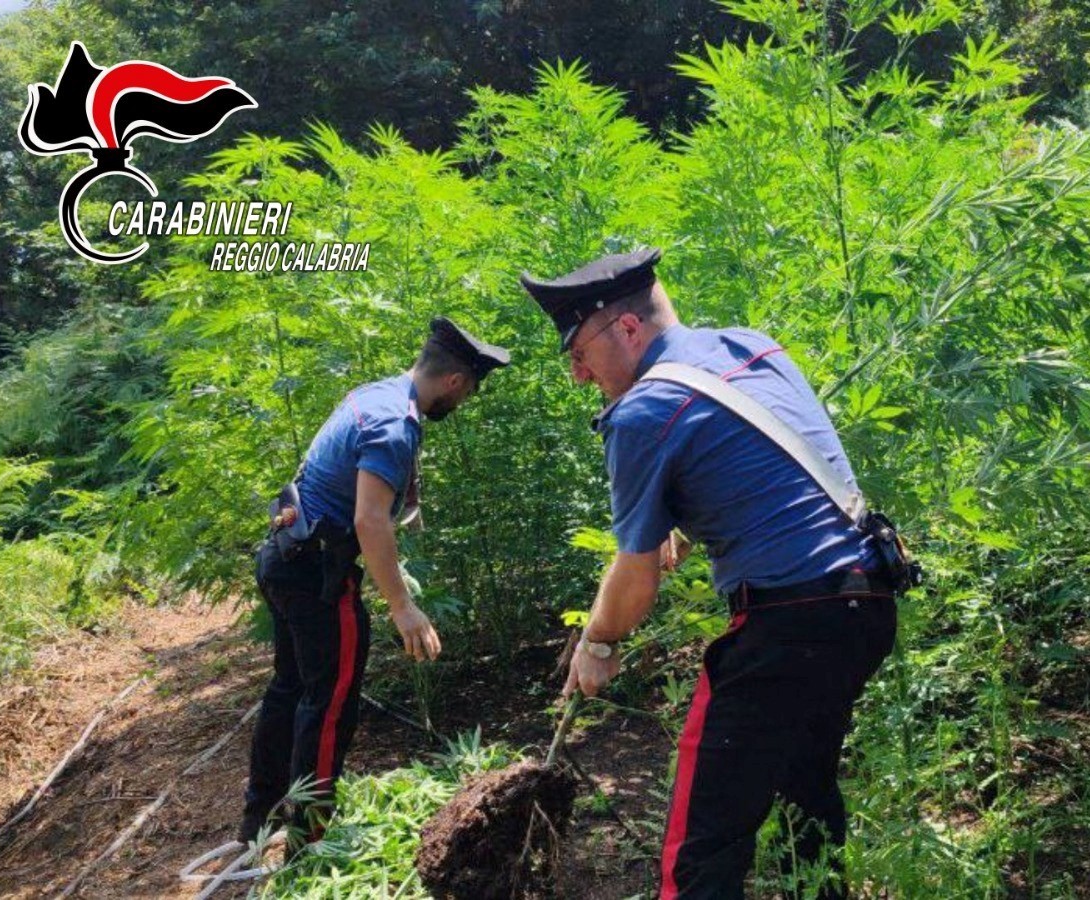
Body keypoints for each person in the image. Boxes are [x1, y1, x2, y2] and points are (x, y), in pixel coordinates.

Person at [523, 248, 900, 899]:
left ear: (628, 329)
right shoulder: (749, 347)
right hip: (864, 603)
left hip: (785, 624)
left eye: (580, 354)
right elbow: (761, 474)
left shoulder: (643, 411)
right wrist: (684, 520)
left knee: (702, 843)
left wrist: (598, 641)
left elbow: (635, 582)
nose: (580, 375)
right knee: (801, 795)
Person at [238, 317, 509, 847]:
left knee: (290, 689)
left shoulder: (376, 394)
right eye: (469, 392)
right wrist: (402, 606)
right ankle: (306, 838)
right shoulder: (395, 424)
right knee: (331, 700)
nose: (464, 403)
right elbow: (368, 520)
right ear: (455, 382)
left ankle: (261, 817)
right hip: (317, 574)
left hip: (284, 556)